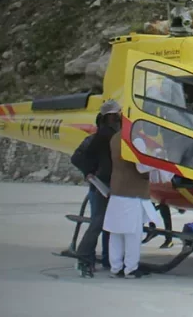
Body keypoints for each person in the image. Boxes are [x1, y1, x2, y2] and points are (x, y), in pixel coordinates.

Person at [104, 124, 163, 279]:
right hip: (133, 194)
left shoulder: (115, 137)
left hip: (117, 191)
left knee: (116, 233)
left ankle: (115, 267)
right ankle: (131, 268)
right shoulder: (136, 139)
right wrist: (157, 157)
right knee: (133, 234)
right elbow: (142, 167)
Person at [70, 100, 121, 277]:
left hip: (109, 185)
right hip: (101, 186)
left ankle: (108, 258)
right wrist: (90, 173)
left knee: (109, 224)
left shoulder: (111, 136)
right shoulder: (101, 137)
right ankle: (84, 257)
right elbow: (77, 158)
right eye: (117, 115)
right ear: (110, 117)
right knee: (98, 222)